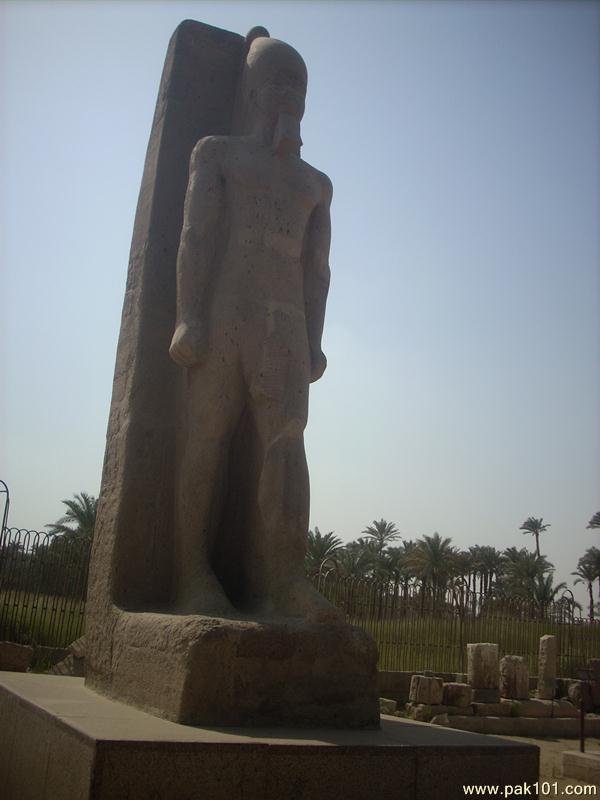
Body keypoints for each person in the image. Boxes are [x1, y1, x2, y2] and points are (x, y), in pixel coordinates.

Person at [169, 33, 337, 621]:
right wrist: (188, 315)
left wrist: (314, 341)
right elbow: (196, 237)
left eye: (299, 85)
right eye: (278, 81)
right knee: (206, 440)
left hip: (285, 329)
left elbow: (317, 271)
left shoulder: (315, 185)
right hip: (225, 318)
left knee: (286, 445)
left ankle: (285, 580)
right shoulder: (218, 154)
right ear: (254, 90)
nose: (289, 93)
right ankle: (192, 573)